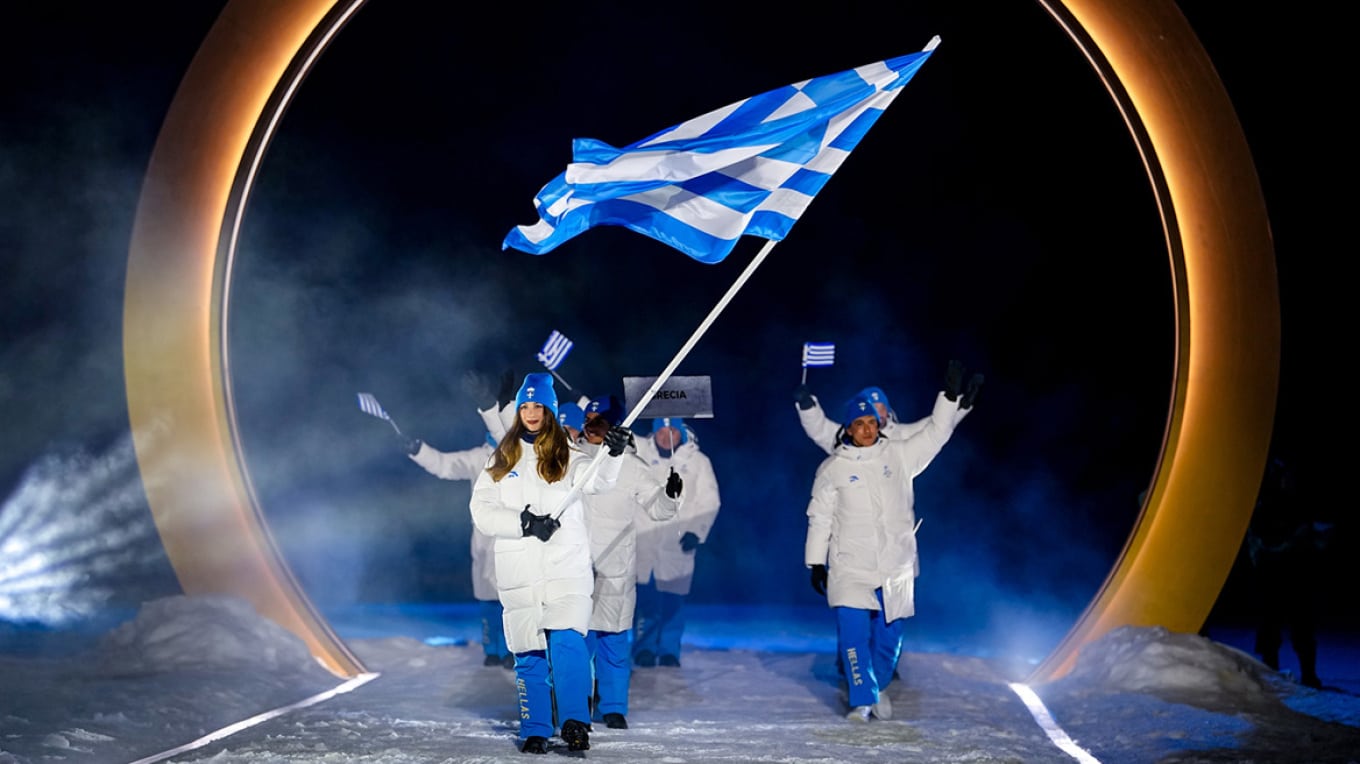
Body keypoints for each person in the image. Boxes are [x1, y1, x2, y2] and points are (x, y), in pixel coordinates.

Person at [469, 372, 633, 754]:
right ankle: (536, 728)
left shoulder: (570, 455)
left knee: (567, 643)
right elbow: (481, 511)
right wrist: (524, 524)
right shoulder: (502, 457)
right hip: (520, 572)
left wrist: (613, 453)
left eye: (537, 406)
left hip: (565, 569)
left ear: (550, 410)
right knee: (528, 653)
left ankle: (575, 721)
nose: (530, 413)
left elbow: (598, 481)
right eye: (524, 406)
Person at [804, 361, 976, 722]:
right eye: (860, 424)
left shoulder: (899, 455)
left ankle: (877, 685)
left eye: (872, 422)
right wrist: (816, 562)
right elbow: (819, 518)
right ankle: (861, 700)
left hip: (895, 565)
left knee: (888, 638)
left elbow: (936, 433)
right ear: (848, 428)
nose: (867, 429)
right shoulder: (832, 469)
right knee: (853, 634)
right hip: (851, 565)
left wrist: (948, 398)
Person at [578, 411, 683, 729]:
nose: (591, 426)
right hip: (576, 565)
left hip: (616, 566)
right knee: (576, 641)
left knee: (612, 639)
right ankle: (575, 706)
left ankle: (612, 706)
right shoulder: (571, 458)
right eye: (588, 420)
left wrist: (669, 495)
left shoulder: (633, 466)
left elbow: (658, 509)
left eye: (598, 420)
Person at [399, 427, 513, 669]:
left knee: (511, 596)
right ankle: (492, 649)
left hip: (512, 535)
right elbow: (445, 465)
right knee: (488, 596)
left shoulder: (521, 455)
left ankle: (509, 649)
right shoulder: (479, 458)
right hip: (484, 539)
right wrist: (420, 451)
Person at [631, 416, 721, 668]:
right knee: (646, 600)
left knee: (673, 600)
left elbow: (709, 500)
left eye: (672, 431)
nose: (666, 437)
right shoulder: (640, 454)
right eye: (661, 431)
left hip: (677, 542)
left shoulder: (698, 461)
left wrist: (696, 531)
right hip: (645, 538)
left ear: (681, 433)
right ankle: (644, 648)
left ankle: (669, 650)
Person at [1245, 456, 1329, 689]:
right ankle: (1272, 675)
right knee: (1270, 629)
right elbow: (1259, 538)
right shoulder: (1265, 505)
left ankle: (1308, 675)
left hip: (1297, 576)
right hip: (1272, 575)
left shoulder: (1300, 503)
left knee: (1301, 628)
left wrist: (1310, 538)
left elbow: (1317, 536)